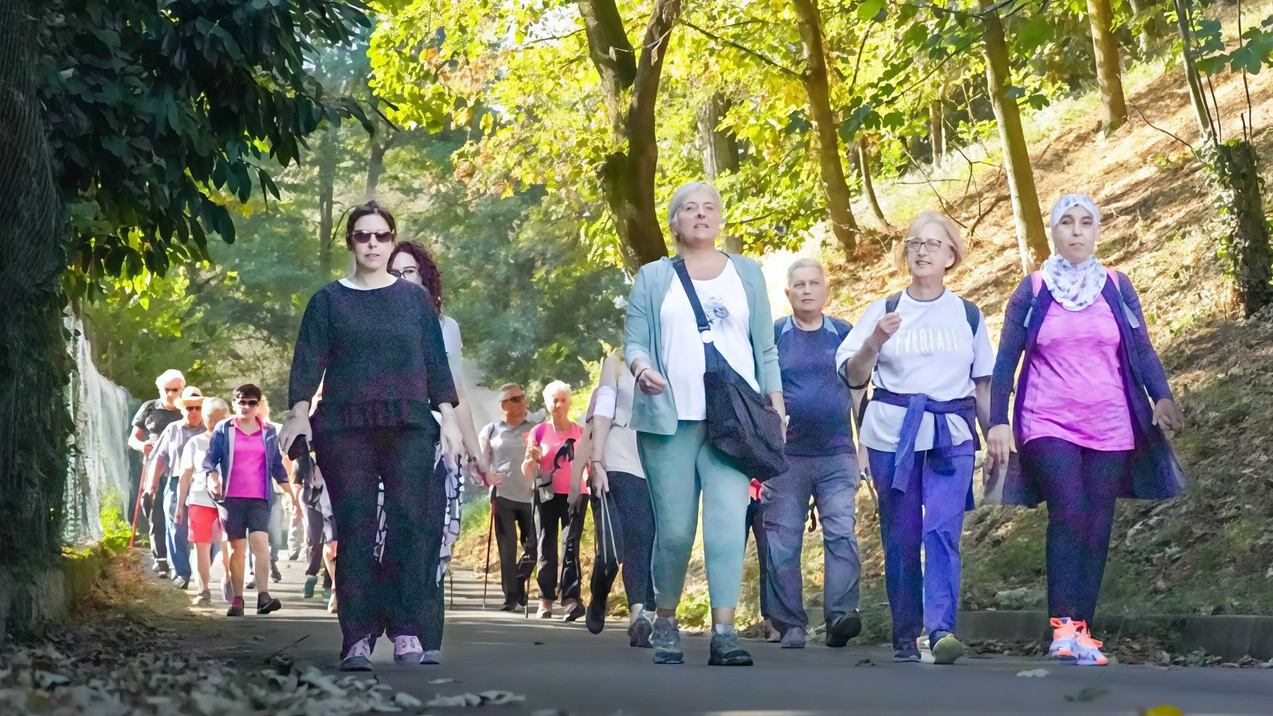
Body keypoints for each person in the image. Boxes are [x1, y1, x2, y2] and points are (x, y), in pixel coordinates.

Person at [987, 194, 1185, 667]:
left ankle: (1082, 631)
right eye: (1067, 223)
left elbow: (1142, 349)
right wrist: (997, 419)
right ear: (1053, 233)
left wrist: (1162, 396)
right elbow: (1004, 361)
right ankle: (1062, 628)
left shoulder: (1116, 286)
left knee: (1097, 524)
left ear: (1097, 231)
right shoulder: (1033, 290)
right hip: (1046, 421)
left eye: (1086, 223)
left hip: (1111, 426)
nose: (1077, 231)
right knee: (1070, 509)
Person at [280, 201, 464, 671]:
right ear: (351, 243)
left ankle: (404, 630)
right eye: (363, 236)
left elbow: (435, 364)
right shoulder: (328, 301)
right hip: (345, 427)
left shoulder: (413, 301)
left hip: (408, 424)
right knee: (356, 527)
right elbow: (307, 362)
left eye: (381, 236)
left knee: (409, 524)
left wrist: (451, 423)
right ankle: (357, 637)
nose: (373, 244)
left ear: (391, 239)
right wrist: (299, 413)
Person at [624, 181, 785, 667]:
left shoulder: (748, 274)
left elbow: (766, 348)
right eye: (688, 209)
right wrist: (643, 370)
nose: (700, 214)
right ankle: (666, 620)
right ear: (674, 223)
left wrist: (776, 405)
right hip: (670, 421)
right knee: (673, 531)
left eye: (709, 208)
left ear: (719, 219)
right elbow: (635, 343)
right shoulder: (653, 278)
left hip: (734, 421)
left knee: (726, 526)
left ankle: (724, 632)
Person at [836, 211, 993, 665]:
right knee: (901, 536)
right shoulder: (884, 310)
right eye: (913, 243)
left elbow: (982, 384)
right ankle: (907, 633)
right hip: (891, 436)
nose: (922, 251)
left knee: (942, 528)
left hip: (951, 433)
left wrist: (998, 434)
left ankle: (941, 629)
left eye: (932, 244)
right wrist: (872, 344)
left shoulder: (967, 314)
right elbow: (852, 376)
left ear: (951, 255)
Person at [764, 258, 862, 649]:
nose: (807, 290)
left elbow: (858, 390)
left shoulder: (843, 333)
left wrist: (865, 445)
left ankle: (840, 616)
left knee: (840, 531)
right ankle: (790, 624)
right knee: (783, 539)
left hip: (838, 453)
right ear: (788, 294)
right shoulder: (773, 336)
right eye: (799, 285)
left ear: (825, 290)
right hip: (786, 458)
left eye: (814, 283)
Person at [572, 352, 657, 646]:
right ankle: (638, 615)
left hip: (661, 458)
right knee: (635, 536)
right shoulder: (617, 362)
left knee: (652, 538)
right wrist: (590, 467)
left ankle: (641, 608)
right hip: (621, 454)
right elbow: (599, 416)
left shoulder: (676, 350)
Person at [203, 384, 292, 618]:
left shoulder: (269, 431)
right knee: (237, 549)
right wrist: (213, 478)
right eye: (241, 402)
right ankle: (237, 599)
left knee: (261, 544)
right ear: (234, 404)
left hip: (260, 498)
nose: (246, 406)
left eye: (251, 402)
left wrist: (291, 495)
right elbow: (210, 460)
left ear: (258, 405)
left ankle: (264, 596)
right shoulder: (224, 429)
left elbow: (276, 465)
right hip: (231, 499)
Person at [521, 380, 585, 621]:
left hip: (576, 495)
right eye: (553, 400)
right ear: (547, 403)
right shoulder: (538, 432)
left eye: (562, 400)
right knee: (545, 546)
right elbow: (526, 470)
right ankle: (545, 600)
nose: (557, 405)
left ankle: (570, 599)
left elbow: (587, 463)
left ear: (569, 402)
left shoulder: (580, 432)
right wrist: (533, 459)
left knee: (570, 546)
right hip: (546, 495)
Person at [479, 383, 537, 611]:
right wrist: (487, 474)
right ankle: (511, 597)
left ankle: (519, 579)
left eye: (522, 397)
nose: (521, 402)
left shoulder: (534, 429)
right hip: (502, 495)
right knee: (507, 548)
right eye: (515, 399)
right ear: (503, 405)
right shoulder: (491, 430)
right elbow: (483, 459)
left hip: (530, 496)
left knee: (534, 547)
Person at [147, 386, 207, 591]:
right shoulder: (173, 429)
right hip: (174, 481)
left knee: (208, 531)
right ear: (183, 408)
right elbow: (160, 457)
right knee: (175, 528)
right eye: (189, 407)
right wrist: (151, 484)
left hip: (202, 483)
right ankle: (182, 572)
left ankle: (204, 570)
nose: (193, 412)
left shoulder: (210, 430)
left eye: (197, 407)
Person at [128, 369, 186, 577]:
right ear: (159, 388)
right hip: (153, 464)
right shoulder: (150, 407)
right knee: (152, 508)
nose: (170, 394)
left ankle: (170, 558)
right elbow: (133, 438)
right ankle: (159, 557)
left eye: (175, 390)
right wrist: (141, 445)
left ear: (182, 390)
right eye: (166, 389)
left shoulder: (186, 409)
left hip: (181, 466)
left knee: (176, 511)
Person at [175, 397, 230, 607]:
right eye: (209, 418)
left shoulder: (233, 441)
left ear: (227, 418)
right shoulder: (195, 443)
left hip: (227, 501)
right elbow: (185, 475)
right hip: (199, 499)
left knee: (228, 545)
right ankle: (203, 590)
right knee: (201, 547)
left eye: (219, 418)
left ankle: (228, 579)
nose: (214, 422)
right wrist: (180, 505)